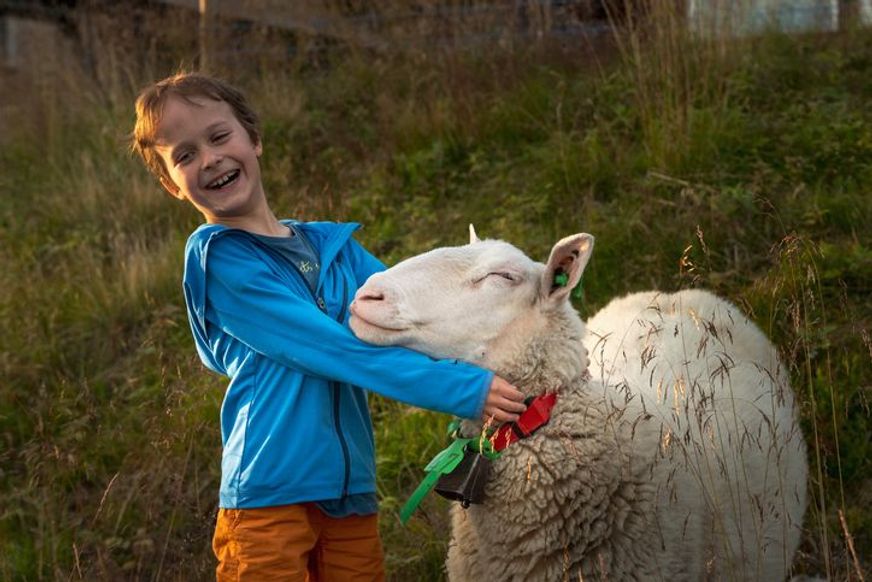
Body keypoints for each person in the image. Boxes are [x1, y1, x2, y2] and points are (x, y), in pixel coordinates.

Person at [131, 72, 526, 581]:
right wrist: (465, 390)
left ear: (254, 138)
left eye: (219, 136)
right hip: (269, 497)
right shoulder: (221, 261)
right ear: (171, 184)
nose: (209, 159)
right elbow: (333, 350)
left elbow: (413, 320)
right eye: (184, 155)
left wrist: (506, 359)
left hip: (351, 495)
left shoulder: (331, 249)